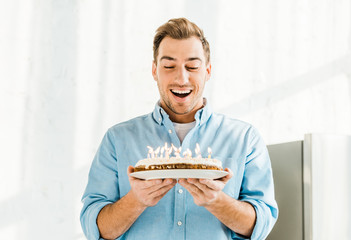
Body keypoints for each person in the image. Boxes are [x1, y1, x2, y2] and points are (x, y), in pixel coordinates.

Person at [80, 17, 278, 240]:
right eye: (169, 66)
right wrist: (136, 200)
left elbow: (261, 226)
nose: (181, 78)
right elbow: (95, 229)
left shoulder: (245, 139)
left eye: (192, 66)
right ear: (154, 71)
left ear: (208, 70)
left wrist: (217, 201)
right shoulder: (117, 139)